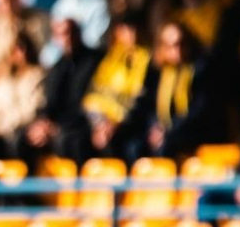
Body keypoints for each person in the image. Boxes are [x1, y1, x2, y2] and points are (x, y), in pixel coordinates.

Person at [123, 20, 219, 160]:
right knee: (134, 147)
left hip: (190, 132)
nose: (176, 51)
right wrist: (155, 129)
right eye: (170, 46)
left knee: (166, 146)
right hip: (162, 130)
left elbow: (199, 111)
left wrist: (170, 131)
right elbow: (147, 105)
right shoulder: (156, 72)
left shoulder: (199, 69)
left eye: (180, 44)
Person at [23, 17, 99, 163]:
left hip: (82, 125)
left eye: (70, 33)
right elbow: (50, 101)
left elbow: (86, 104)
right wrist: (43, 122)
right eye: (62, 34)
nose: (67, 38)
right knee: (24, 139)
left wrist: (57, 127)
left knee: (68, 141)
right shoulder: (58, 68)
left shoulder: (93, 61)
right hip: (60, 124)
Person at [80, 14, 153, 159]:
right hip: (102, 121)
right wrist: (100, 123)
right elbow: (92, 96)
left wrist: (116, 123)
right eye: (126, 29)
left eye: (134, 29)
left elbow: (139, 101)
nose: (132, 34)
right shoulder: (110, 58)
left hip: (128, 124)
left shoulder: (149, 60)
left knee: (129, 147)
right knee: (76, 139)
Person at [0, 33, 45, 162]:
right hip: (0, 135)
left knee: (19, 142)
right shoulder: (0, 82)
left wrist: (7, 127)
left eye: (24, 47)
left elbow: (32, 110)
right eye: (16, 48)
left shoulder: (38, 77)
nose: (21, 53)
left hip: (21, 133)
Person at [44, 0, 109, 64]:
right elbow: (54, 43)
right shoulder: (59, 6)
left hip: (89, 59)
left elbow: (94, 39)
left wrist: (74, 43)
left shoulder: (98, 2)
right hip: (65, 61)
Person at [0, 0, 48, 70]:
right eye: (3, 3)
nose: (8, 7)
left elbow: (42, 52)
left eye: (11, 1)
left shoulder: (36, 21)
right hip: (6, 72)